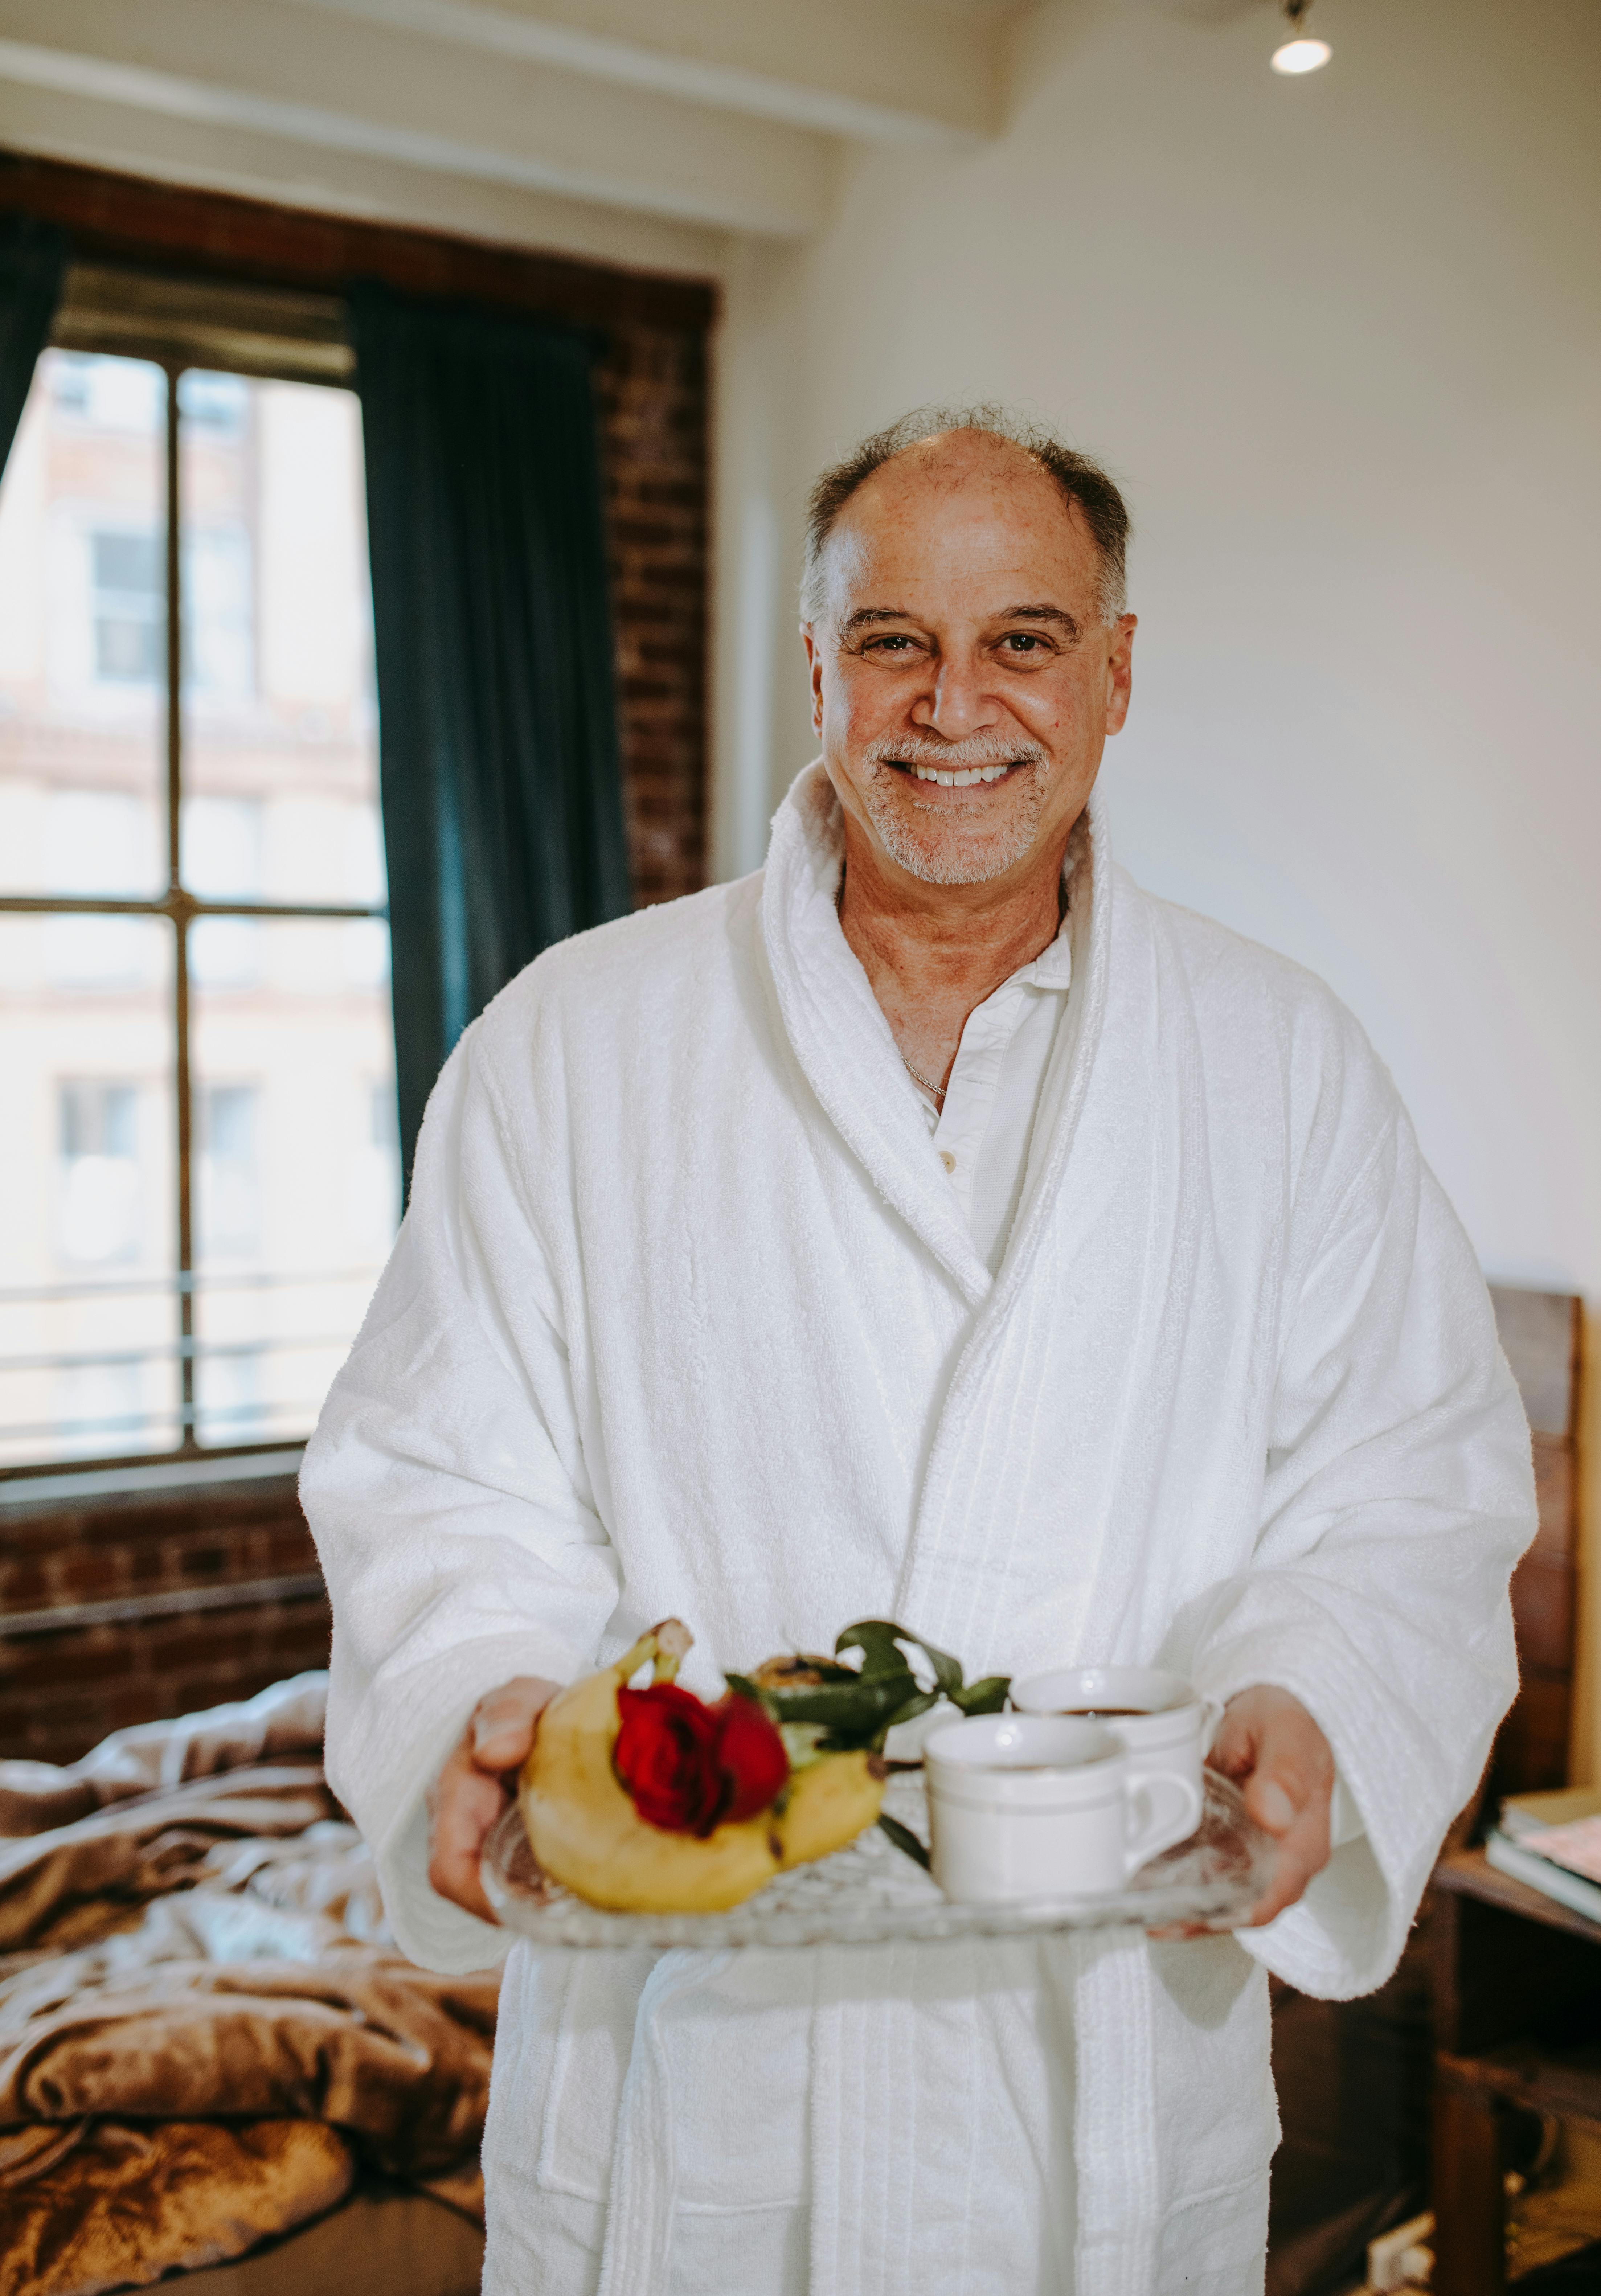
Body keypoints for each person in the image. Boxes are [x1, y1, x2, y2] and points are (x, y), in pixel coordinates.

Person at [300, 407, 1535, 2296]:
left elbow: (1410, 1484)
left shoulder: (1286, 1071)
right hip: (688, 2077)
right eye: (894, 643)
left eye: (1025, 639)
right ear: (817, 670)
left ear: (1118, 674)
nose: (956, 701)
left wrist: (1326, 1698)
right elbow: (437, 1472)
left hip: (1105, 2091)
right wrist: (487, 1678)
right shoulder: (575, 1045)